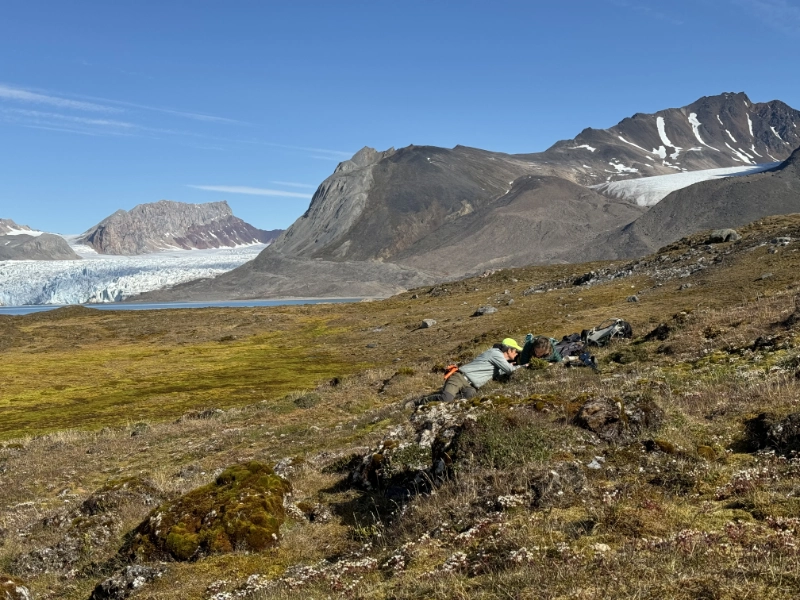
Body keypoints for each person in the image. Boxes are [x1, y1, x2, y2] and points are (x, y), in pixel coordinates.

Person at [430, 338, 524, 403]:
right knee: (446, 398)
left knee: (460, 402)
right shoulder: (495, 353)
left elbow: (501, 371)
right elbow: (510, 370)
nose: (517, 354)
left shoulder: (498, 360)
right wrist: (524, 365)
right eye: (516, 351)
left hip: (471, 387)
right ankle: (419, 402)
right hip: (459, 377)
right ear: (508, 350)